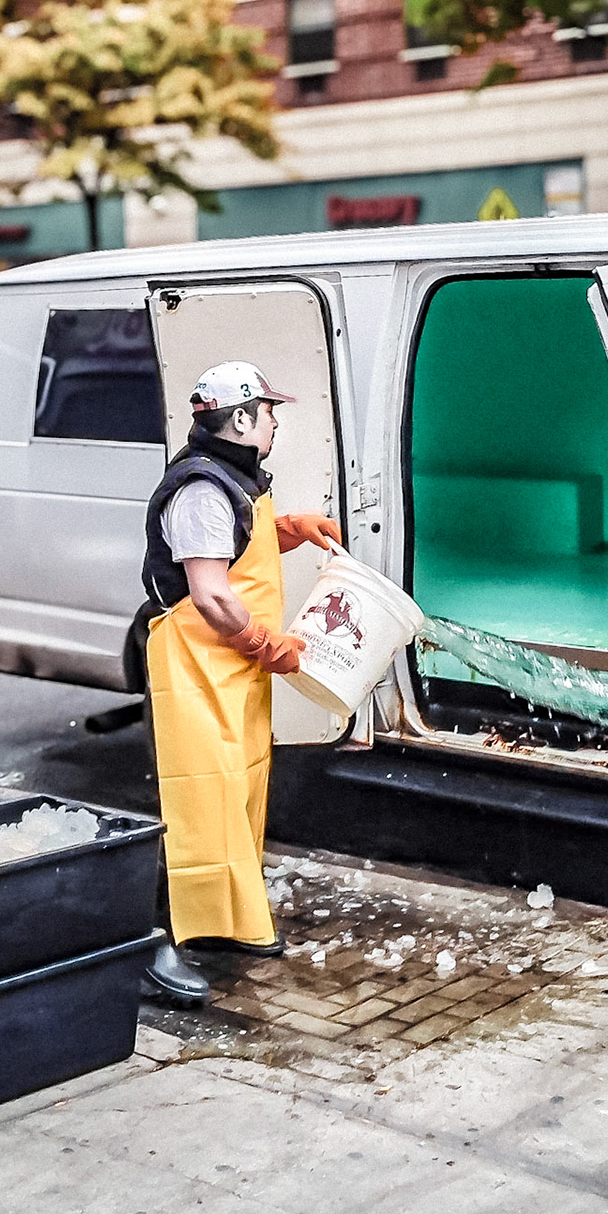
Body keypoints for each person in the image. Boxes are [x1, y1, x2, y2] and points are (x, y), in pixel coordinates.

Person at [139, 361, 340, 1005]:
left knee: (238, 792)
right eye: (270, 412)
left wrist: (287, 530)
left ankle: (220, 924)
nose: (276, 423)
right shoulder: (201, 487)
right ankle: (154, 943)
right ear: (243, 418)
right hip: (199, 666)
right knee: (195, 802)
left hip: (231, 671)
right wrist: (262, 642)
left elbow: (235, 545)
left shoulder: (234, 480)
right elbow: (210, 594)